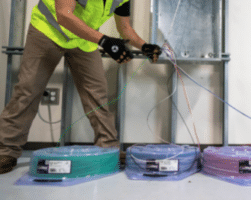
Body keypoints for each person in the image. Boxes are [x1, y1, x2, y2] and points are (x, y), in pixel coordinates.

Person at [0, 0, 161, 174]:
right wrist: (105, 41)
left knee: (97, 97)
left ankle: (108, 149)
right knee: (28, 91)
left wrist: (144, 46)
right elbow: (63, 14)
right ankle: (5, 151)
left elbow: (125, 28)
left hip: (84, 40)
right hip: (48, 31)